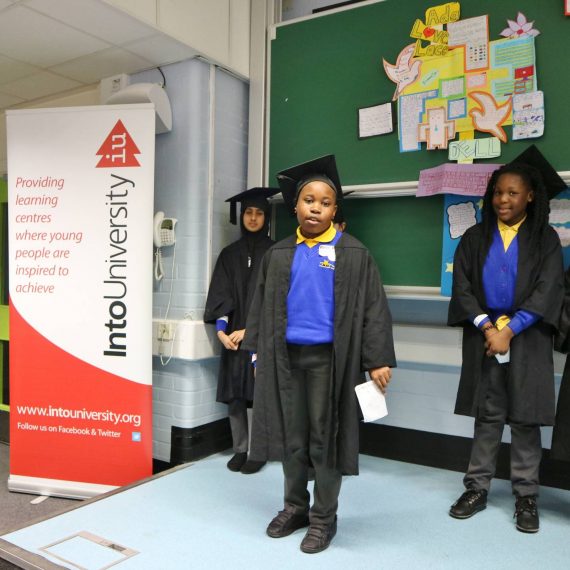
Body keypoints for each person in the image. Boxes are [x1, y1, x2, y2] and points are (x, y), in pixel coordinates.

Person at [241, 155, 396, 554]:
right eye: (308, 200)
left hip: (331, 362)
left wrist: (378, 359)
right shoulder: (279, 254)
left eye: (325, 203)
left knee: (325, 439)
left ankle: (324, 518)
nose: (315, 208)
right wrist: (257, 355)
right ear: (295, 206)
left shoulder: (354, 254)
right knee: (292, 438)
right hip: (285, 360)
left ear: (335, 210)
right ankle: (295, 507)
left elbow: (374, 309)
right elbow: (259, 307)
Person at [447, 145, 565, 533]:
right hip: (485, 337)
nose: (503, 199)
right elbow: (462, 287)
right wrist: (489, 328)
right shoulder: (475, 237)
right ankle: (476, 488)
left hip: (528, 337)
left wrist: (510, 331)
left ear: (530, 196)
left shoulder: (545, 238)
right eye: (498, 192)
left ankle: (526, 495)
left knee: (526, 418)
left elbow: (548, 289)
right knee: (488, 414)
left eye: (513, 192)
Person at [204, 187, 279, 474]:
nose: (253, 218)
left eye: (259, 213)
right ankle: (240, 448)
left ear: (266, 217)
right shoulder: (229, 254)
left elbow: (277, 300)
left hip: (262, 337)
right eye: (248, 212)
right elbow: (221, 295)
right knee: (236, 394)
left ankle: (259, 450)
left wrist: (252, 331)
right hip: (233, 338)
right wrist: (221, 332)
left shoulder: (276, 253)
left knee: (260, 394)